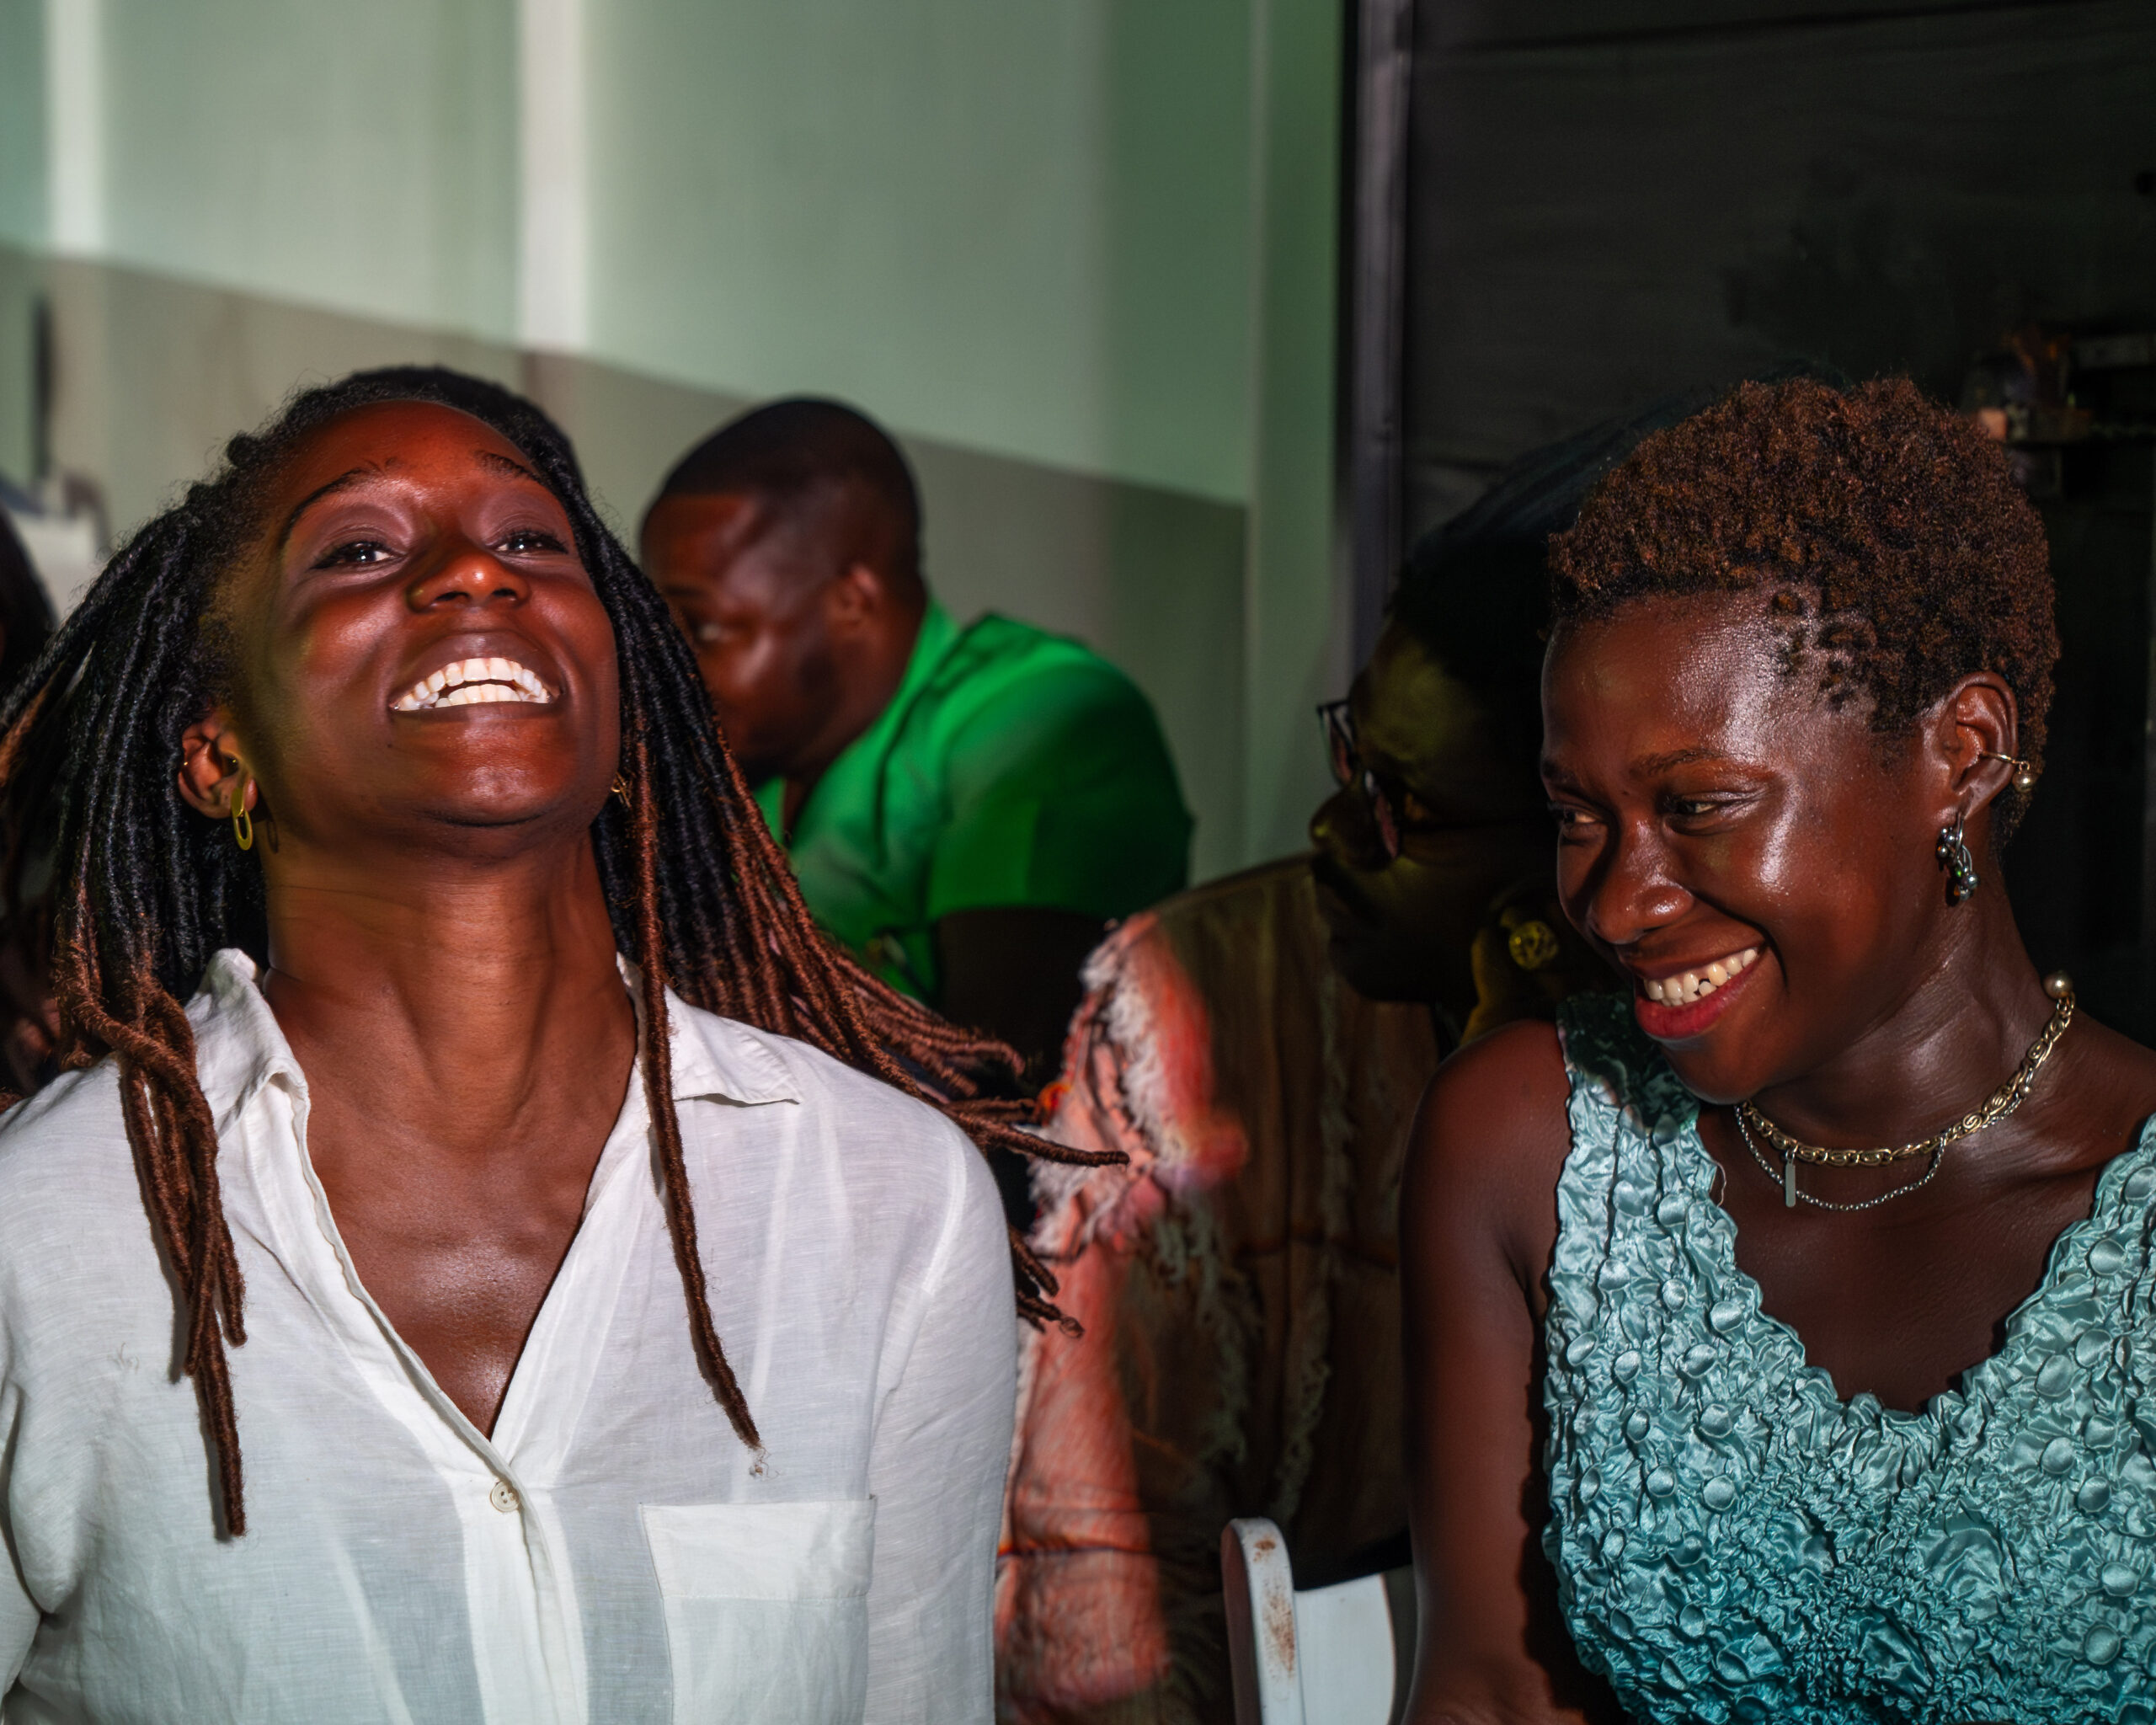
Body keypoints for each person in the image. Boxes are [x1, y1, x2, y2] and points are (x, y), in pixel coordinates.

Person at [0, 368, 1087, 1722]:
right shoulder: (44, 1235)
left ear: (628, 702)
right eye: (359, 549)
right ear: (220, 755)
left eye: (529, 540)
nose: (472, 573)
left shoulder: (887, 1201)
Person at [1402, 376, 2156, 1724]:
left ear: (1961, 753)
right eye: (1580, 816)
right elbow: (1487, 1693)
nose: (1618, 903)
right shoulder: (1532, 1147)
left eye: (1700, 806)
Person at [995, 426, 1625, 1724]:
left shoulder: (1742, 1050)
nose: (1334, 833)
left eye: (1409, 809)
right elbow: (1095, 1544)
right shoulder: (1196, 999)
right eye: (1353, 759)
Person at [640, 398, 1192, 1078]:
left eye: (705, 630)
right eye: (654, 632)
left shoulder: (1044, 720)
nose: (664, 670)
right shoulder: (731, 750)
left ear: (853, 603)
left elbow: (997, 1080)